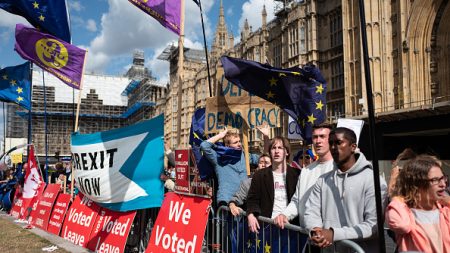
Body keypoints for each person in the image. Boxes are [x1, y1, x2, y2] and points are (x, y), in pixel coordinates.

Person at [304, 127, 387, 252]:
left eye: (338, 142)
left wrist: (333, 234)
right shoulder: (322, 180)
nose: (333, 147)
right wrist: (315, 230)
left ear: (353, 147)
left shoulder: (373, 180)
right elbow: (311, 211)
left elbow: (373, 226)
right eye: (331, 143)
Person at [275, 123, 334, 230]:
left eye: (322, 136)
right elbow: (297, 201)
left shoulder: (338, 168)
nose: (318, 141)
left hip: (332, 237)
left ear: (331, 139)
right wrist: (285, 215)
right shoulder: (306, 171)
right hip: (308, 236)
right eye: (315, 137)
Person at [386, 155, 450, 252]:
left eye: (443, 178)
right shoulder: (405, 212)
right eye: (436, 180)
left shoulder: (445, 210)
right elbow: (401, 225)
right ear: (418, 184)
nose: (443, 184)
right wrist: (397, 196)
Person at [200, 127, 262, 206]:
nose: (239, 144)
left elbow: (264, 159)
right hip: (227, 200)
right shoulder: (218, 157)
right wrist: (220, 135)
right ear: (227, 145)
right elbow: (204, 146)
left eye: (239, 141)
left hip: (243, 199)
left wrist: (266, 136)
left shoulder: (244, 155)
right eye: (235, 142)